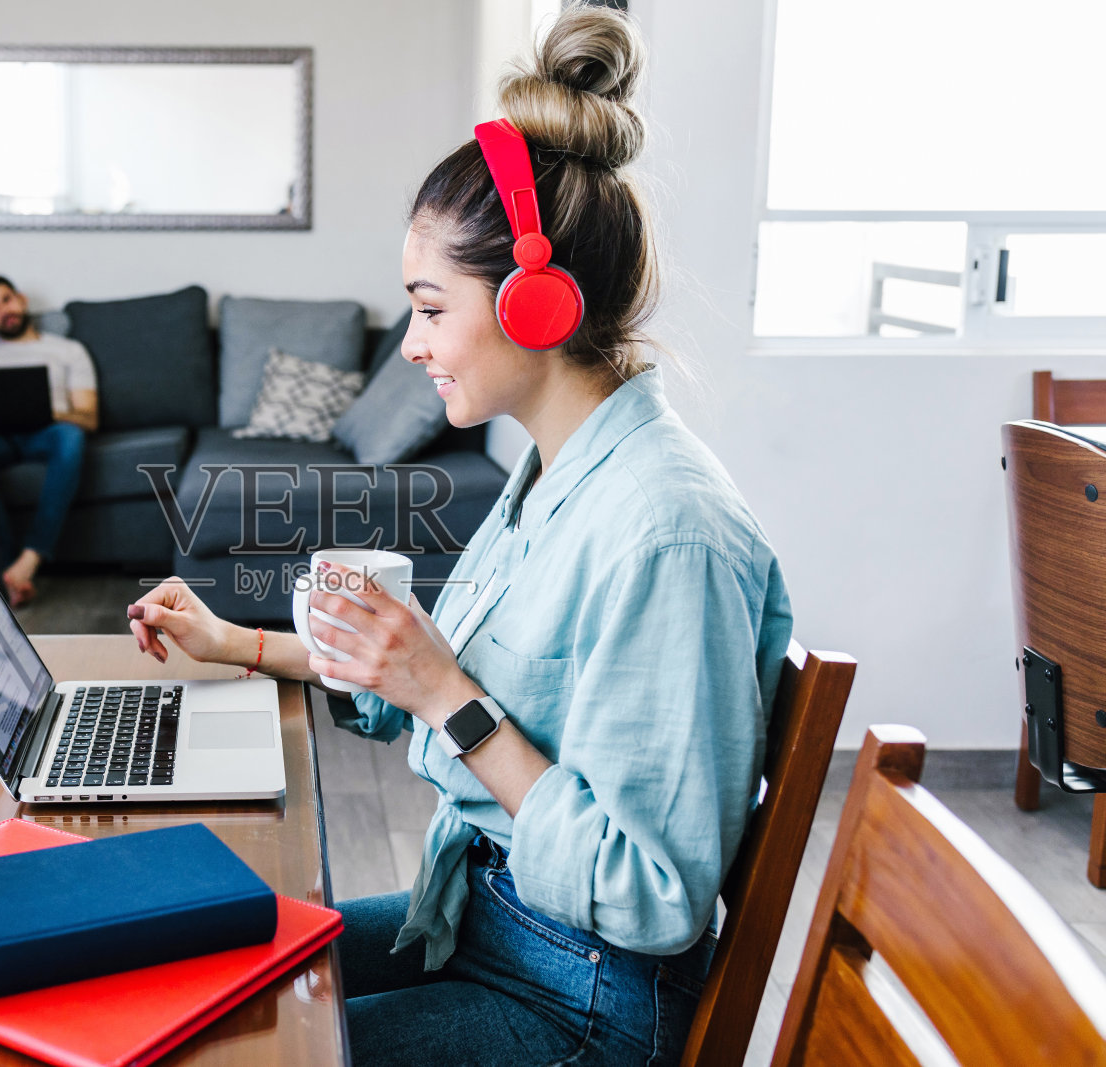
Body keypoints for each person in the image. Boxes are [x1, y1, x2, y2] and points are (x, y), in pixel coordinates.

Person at [125, 6, 793, 1066]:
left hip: (583, 1003)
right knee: (187, 976)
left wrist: (448, 696)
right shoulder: (553, 476)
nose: (411, 345)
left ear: (536, 305)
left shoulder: (668, 534)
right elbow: (430, 677)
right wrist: (238, 642)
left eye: (431, 310)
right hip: (483, 917)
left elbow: (651, 894)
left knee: (234, 1049)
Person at [0, 275, 98, 606]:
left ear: (22, 300)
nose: (3, 311)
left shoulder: (68, 350)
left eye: (6, 300)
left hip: (47, 432)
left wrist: (47, 410)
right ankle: (6, 570)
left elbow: (89, 418)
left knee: (71, 436)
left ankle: (30, 558)